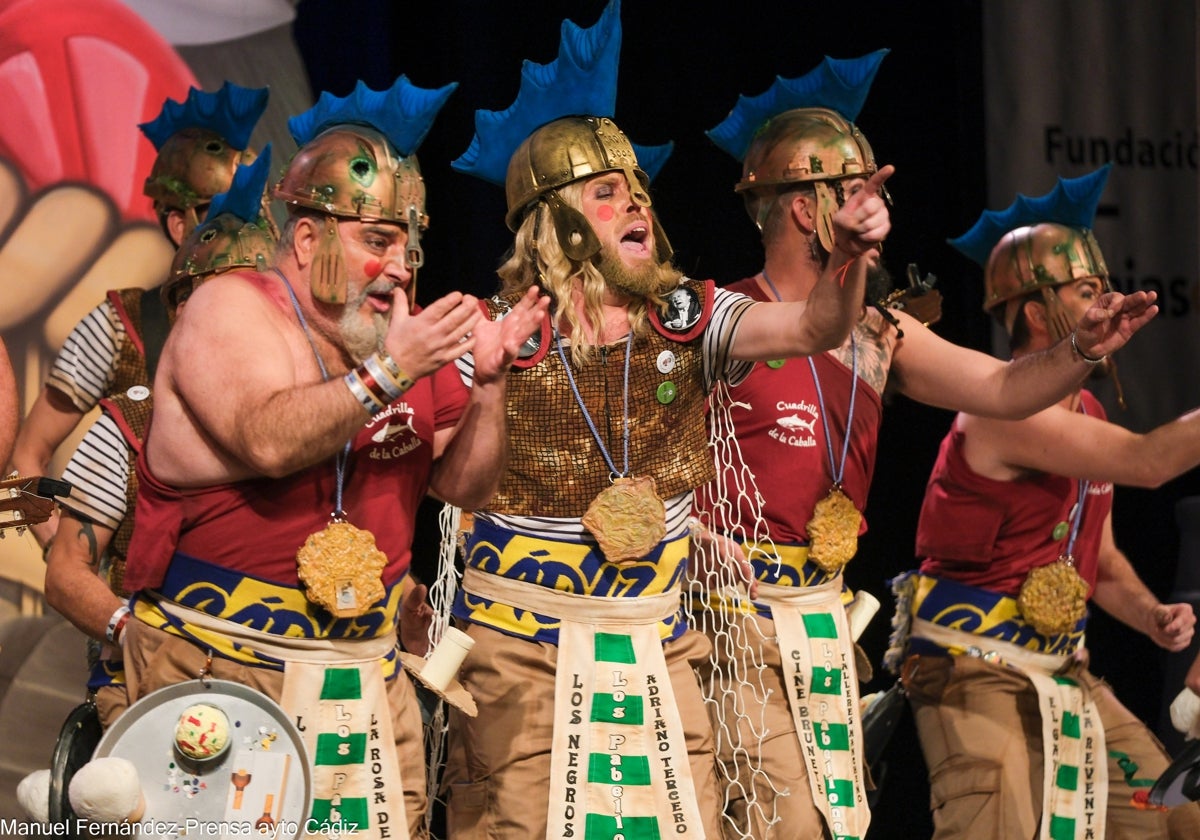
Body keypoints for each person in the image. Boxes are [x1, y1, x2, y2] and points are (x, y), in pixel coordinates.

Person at [441, 3, 889, 836]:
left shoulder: (692, 316)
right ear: (556, 218)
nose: (637, 203)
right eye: (608, 192)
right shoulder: (493, 335)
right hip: (524, 650)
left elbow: (813, 327)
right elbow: (454, 488)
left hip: (659, 644)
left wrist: (854, 256)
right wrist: (491, 391)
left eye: (639, 190)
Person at [690, 56, 1162, 840]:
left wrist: (1078, 350)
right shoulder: (724, 320)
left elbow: (1005, 388)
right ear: (810, 213)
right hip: (727, 617)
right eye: (859, 197)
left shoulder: (883, 334)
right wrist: (695, 537)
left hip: (822, 621)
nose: (881, 218)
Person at [117, 77, 549, 840]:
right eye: (375, 241)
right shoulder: (233, 307)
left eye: (409, 247)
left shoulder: (394, 339)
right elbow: (269, 440)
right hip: (223, 671)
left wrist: (488, 388)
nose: (401, 269)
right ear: (309, 237)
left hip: (365, 681)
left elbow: (465, 489)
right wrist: (393, 372)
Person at [888, 166, 1200, 839]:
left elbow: (1101, 556)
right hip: (972, 665)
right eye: (1086, 289)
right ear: (1036, 311)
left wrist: (1150, 615)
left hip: (1061, 666)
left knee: (1175, 819)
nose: (1105, 300)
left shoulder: (1084, 408)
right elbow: (1149, 463)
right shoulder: (1002, 412)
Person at [42, 149, 277, 728]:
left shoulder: (307, 428)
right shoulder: (129, 423)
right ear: (185, 316)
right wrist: (129, 629)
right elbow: (67, 571)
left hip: (279, 683)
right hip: (152, 684)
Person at [8, 81, 268, 546]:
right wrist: (67, 566)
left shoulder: (287, 321)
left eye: (255, 208)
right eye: (226, 211)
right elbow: (23, 458)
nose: (248, 226)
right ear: (178, 223)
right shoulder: (116, 327)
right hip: (137, 601)